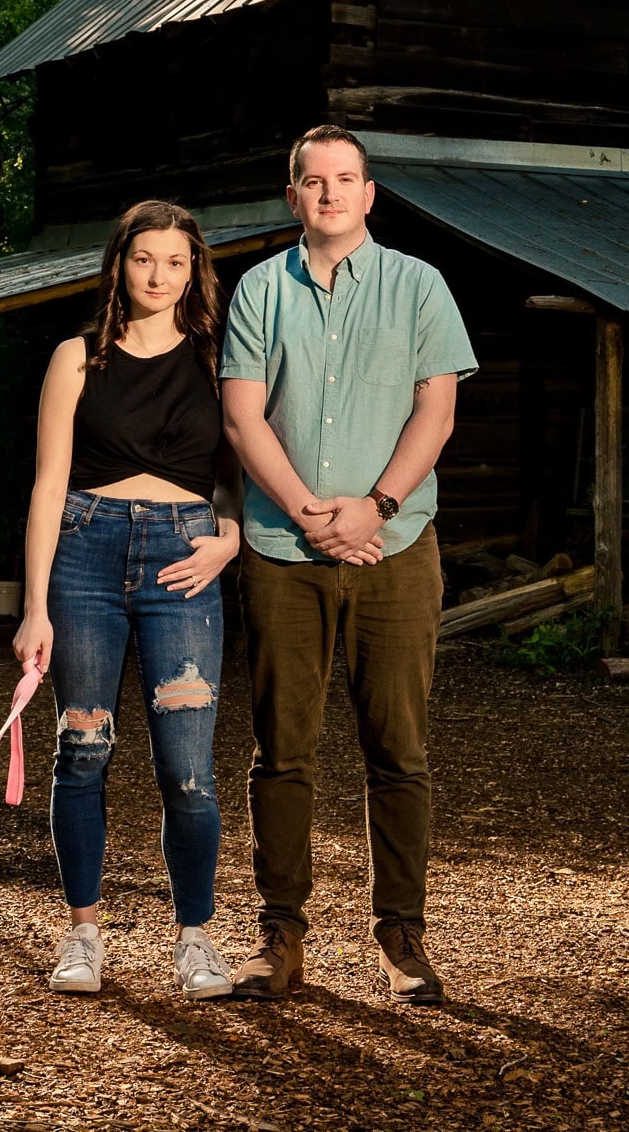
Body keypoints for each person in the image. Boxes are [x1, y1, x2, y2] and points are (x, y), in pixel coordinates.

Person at [218, 125, 475, 1005]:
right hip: (282, 552)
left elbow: (436, 412)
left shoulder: (420, 286)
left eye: (345, 179)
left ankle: (402, 935)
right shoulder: (259, 289)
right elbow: (243, 417)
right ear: (292, 196)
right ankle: (281, 936)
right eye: (313, 180)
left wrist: (377, 507)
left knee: (398, 749)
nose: (329, 193)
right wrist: (310, 515)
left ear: (368, 194)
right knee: (281, 750)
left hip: (394, 549)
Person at [12, 199, 243, 1000]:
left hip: (185, 561)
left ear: (194, 272)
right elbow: (48, 487)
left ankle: (196, 939)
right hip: (86, 555)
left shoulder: (219, 359)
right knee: (83, 749)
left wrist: (231, 537)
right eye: (144, 258)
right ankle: (83, 935)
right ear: (120, 263)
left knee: (189, 770)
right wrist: (35, 606)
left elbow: (239, 470)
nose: (158, 275)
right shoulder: (77, 358)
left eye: (176, 262)